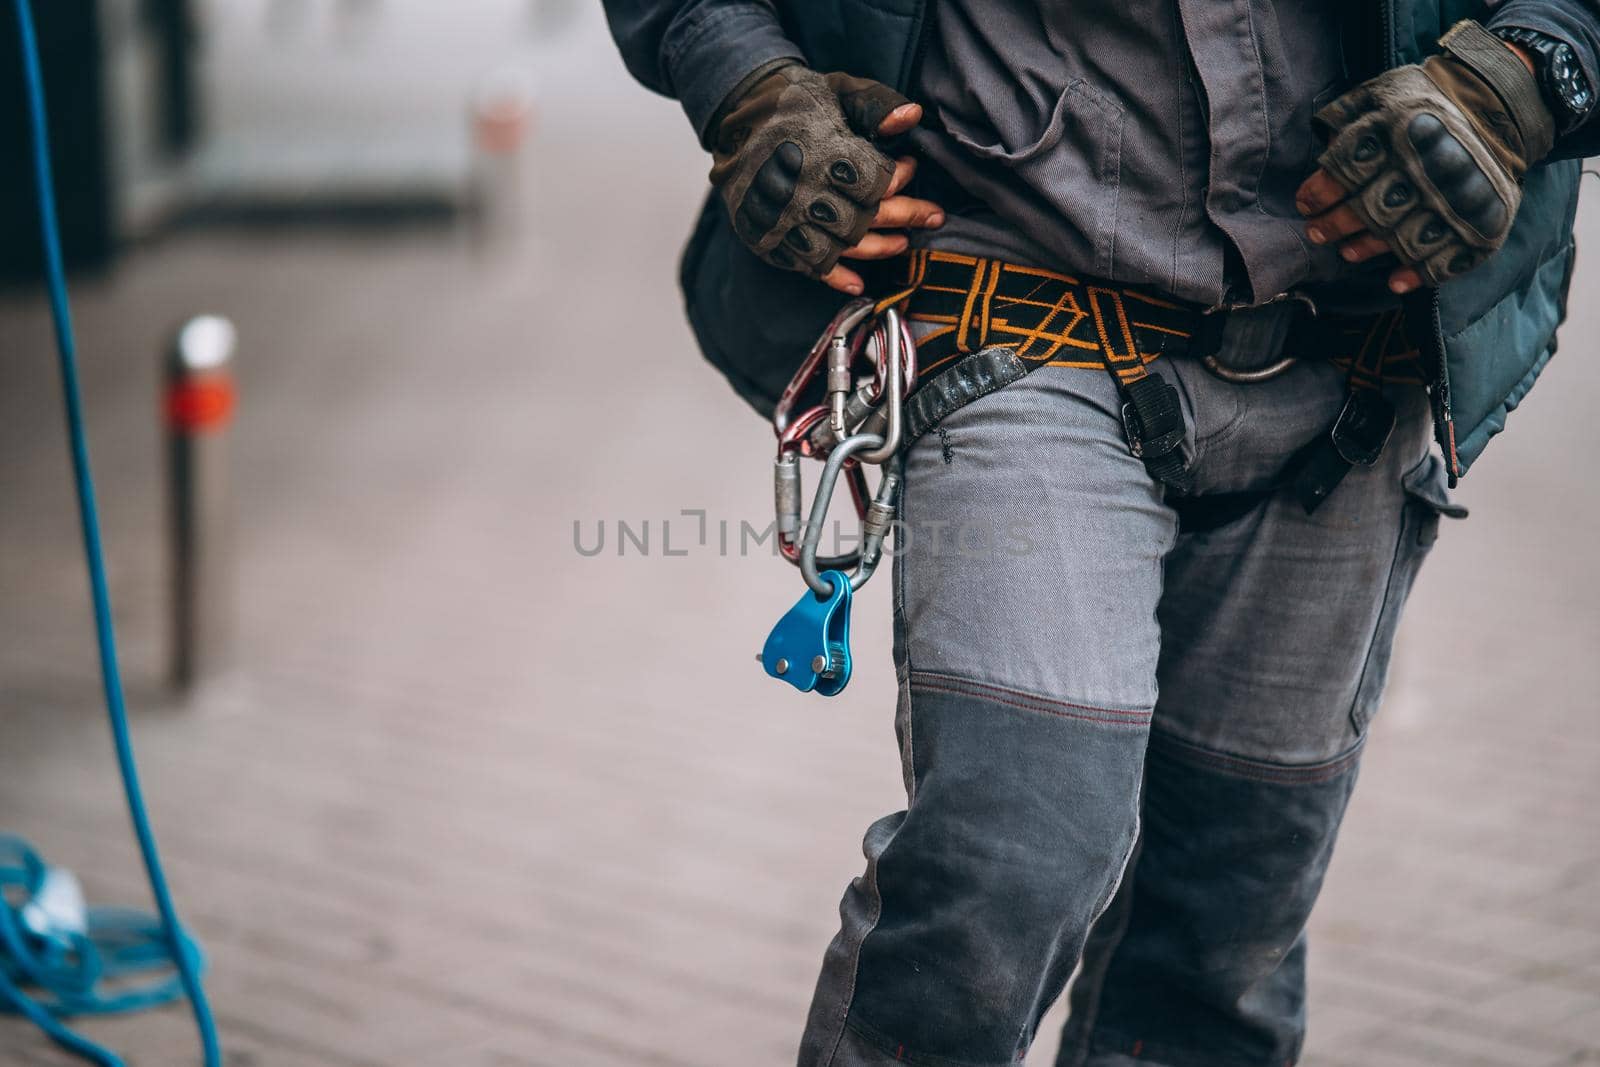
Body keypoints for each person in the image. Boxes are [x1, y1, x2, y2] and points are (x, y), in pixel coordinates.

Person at [603, 2, 1597, 1064]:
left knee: (1223, 936)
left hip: (1356, 365)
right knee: (1015, 852)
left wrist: (1520, 81)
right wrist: (746, 79)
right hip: (1014, 303)